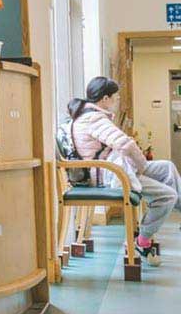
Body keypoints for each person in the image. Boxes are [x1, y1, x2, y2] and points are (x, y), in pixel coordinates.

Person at [69, 76, 181, 266]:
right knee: (167, 196)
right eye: (115, 97)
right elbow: (125, 144)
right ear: (105, 99)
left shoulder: (89, 115)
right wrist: (143, 166)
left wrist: (140, 164)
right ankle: (142, 241)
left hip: (113, 169)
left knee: (167, 167)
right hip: (110, 175)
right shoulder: (94, 118)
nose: (117, 100)